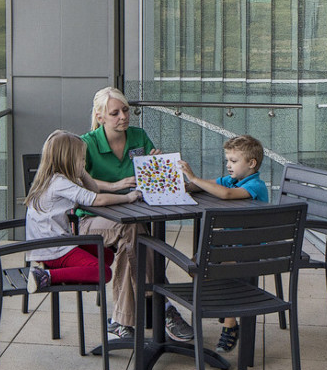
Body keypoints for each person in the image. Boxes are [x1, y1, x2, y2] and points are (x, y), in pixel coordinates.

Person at [79, 85, 193, 344]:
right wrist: (116, 186)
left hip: (131, 217)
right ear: (100, 117)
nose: (123, 116)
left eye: (126, 110)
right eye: (115, 113)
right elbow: (78, 186)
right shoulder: (86, 144)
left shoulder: (139, 137)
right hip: (90, 220)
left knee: (132, 241)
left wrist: (157, 164)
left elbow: (152, 179)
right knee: (134, 234)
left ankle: (121, 321)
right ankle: (163, 308)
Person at [181, 134, 270, 352]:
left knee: (222, 274)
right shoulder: (232, 179)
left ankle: (230, 324)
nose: (228, 165)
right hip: (230, 246)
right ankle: (225, 304)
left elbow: (227, 194)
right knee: (196, 266)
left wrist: (193, 178)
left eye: (233, 161)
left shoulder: (255, 185)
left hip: (249, 250)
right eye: (227, 160)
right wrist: (183, 185)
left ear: (251, 163)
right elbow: (208, 186)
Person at [24, 130, 140, 292]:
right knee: (103, 272)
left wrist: (83, 173)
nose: (84, 163)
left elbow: (93, 190)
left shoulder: (55, 178)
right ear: (68, 160)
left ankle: (66, 273)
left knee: (106, 255)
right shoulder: (60, 183)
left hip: (53, 244)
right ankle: (46, 276)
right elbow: (96, 199)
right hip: (53, 249)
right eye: (82, 159)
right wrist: (128, 198)